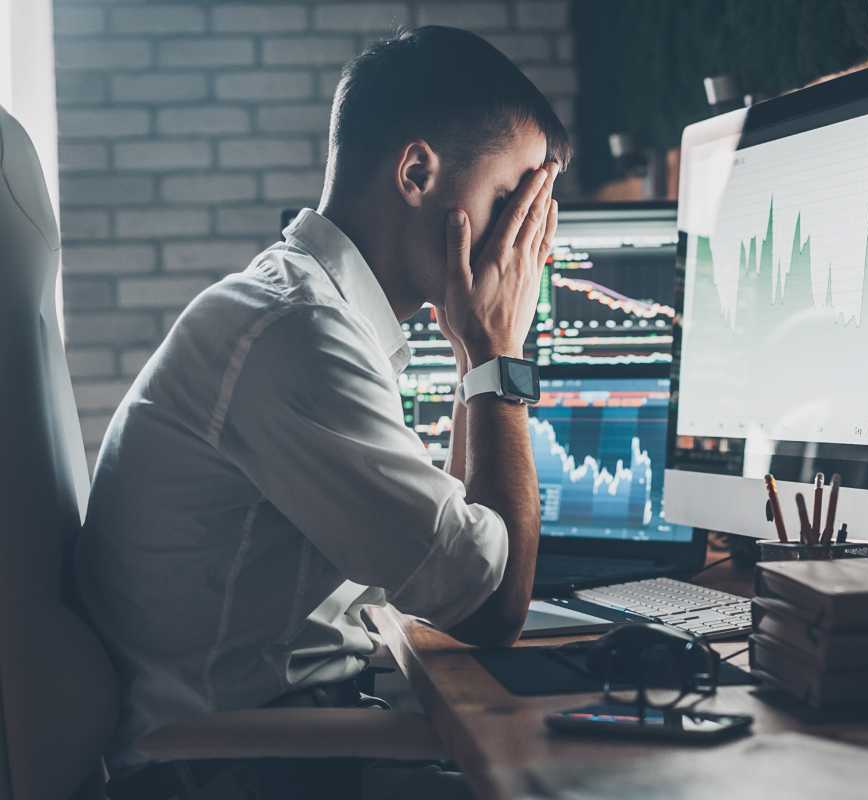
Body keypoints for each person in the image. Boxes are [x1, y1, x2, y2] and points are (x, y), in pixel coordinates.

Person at [76, 26, 569, 798]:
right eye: (511, 201)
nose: (525, 246)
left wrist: (478, 356)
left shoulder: (305, 312)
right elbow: (489, 608)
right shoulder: (298, 332)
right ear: (415, 172)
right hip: (229, 772)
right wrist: (498, 353)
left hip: (269, 741)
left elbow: (448, 566)